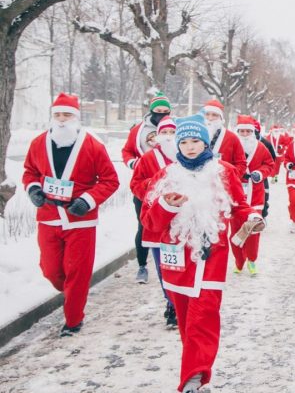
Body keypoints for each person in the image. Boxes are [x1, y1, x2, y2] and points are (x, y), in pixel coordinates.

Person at [141, 114, 264, 393]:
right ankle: (196, 370)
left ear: (206, 141)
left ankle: (191, 386)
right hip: (177, 261)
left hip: (212, 258)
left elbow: (239, 205)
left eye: (196, 140)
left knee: (203, 319)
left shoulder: (224, 172)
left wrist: (250, 218)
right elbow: (149, 223)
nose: (190, 146)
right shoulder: (165, 177)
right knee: (187, 324)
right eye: (184, 141)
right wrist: (168, 205)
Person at [22, 93, 120, 336]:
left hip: (80, 220)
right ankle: (73, 293)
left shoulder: (92, 146)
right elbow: (29, 172)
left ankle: (73, 320)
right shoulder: (37, 143)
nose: (62, 120)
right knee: (51, 270)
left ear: (76, 118)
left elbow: (110, 180)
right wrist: (33, 189)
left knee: (77, 272)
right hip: (48, 216)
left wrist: (87, 201)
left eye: (67, 115)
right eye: (58, 115)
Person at [130, 116, 179, 327]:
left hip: (181, 223)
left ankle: (180, 301)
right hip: (157, 221)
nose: (168, 137)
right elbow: (135, 185)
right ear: (157, 135)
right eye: (164, 132)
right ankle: (170, 302)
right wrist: (154, 185)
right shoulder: (148, 159)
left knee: (179, 265)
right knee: (163, 265)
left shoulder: (185, 154)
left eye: (172, 132)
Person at [122, 92, 171, 284]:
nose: (161, 114)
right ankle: (142, 265)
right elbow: (126, 150)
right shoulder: (138, 130)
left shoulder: (173, 128)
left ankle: (169, 265)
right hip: (145, 183)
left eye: (165, 111)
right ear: (151, 111)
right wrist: (132, 162)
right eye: (158, 111)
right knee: (144, 225)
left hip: (169, 188)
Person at [232, 115, 274, 274]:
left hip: (255, 194)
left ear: (253, 132)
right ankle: (238, 260)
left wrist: (259, 174)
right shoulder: (232, 147)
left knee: (253, 230)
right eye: (241, 131)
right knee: (235, 229)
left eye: (247, 131)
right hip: (235, 196)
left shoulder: (261, 147)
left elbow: (270, 164)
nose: (244, 134)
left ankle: (252, 260)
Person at [201, 98, 247, 177]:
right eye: (207, 114)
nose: (210, 118)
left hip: (224, 185)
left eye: (214, 115)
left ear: (221, 118)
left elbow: (241, 164)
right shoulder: (195, 135)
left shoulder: (232, 138)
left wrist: (229, 177)